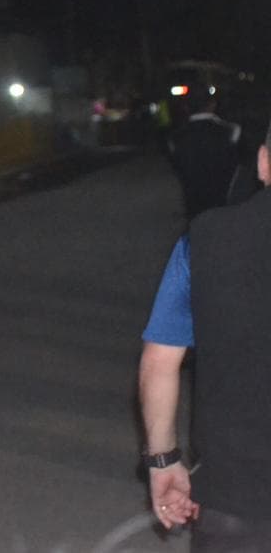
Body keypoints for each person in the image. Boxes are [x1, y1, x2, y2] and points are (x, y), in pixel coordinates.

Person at [138, 121, 271, 549]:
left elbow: (159, 360)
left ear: (263, 164)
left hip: (234, 500)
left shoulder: (205, 240)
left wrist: (163, 460)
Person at [167, 96, 241, 219]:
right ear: (212, 104)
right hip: (224, 203)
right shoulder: (231, 130)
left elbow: (176, 168)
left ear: (186, 107)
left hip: (194, 207)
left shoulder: (175, 137)